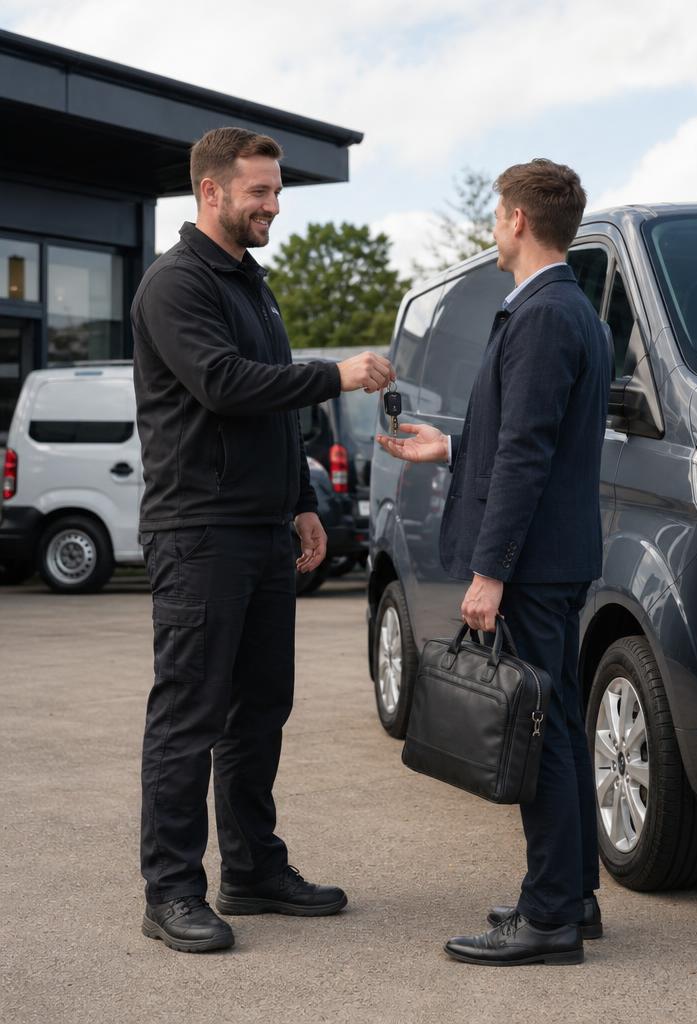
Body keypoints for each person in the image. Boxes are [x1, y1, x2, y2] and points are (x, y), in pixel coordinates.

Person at [132, 126, 394, 954]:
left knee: (259, 714)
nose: (272, 206)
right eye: (260, 193)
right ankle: (172, 891)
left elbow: (275, 413)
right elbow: (224, 385)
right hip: (198, 533)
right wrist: (337, 374)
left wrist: (299, 502)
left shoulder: (253, 284)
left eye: (275, 192)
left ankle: (251, 871)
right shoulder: (176, 286)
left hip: (260, 529)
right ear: (211, 192)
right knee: (190, 717)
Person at [377, 158, 609, 966]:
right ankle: (572, 894)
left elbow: (528, 454)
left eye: (497, 214)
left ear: (515, 219)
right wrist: (455, 443)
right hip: (556, 557)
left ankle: (548, 920)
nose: (493, 226)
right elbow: (521, 435)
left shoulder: (543, 314)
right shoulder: (565, 307)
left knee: (537, 731)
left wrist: (490, 571)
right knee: (563, 724)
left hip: (534, 563)